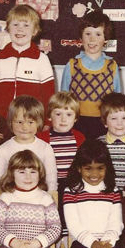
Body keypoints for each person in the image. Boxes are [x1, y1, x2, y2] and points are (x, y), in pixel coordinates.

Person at [0, 4, 55, 143]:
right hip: (5, 121)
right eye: (15, 24)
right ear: (8, 28)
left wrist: (48, 121)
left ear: (35, 30)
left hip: (33, 123)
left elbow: (49, 95)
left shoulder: (41, 59)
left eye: (26, 25)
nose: (20, 29)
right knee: (7, 161)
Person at [60, 10, 122, 139]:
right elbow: (63, 100)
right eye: (88, 34)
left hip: (104, 124)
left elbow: (117, 101)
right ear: (81, 37)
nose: (92, 39)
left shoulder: (112, 66)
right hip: (76, 123)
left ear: (106, 39)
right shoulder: (72, 65)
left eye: (98, 34)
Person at [0, 95, 58, 203]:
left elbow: (51, 180)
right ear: (11, 122)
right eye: (19, 122)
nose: (25, 127)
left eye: (30, 122)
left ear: (39, 123)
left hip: (39, 201)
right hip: (11, 202)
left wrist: (50, 199)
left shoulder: (45, 148)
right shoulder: (3, 149)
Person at [38, 92, 85, 236]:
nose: (63, 119)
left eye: (69, 115)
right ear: (49, 117)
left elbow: (83, 164)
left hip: (72, 183)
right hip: (50, 184)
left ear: (76, 118)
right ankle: (53, 235)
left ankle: (68, 237)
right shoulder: (43, 138)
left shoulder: (79, 137)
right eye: (58, 114)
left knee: (71, 211)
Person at [97, 93, 125, 191]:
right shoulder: (98, 144)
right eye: (113, 118)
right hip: (106, 194)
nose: (119, 123)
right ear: (105, 122)